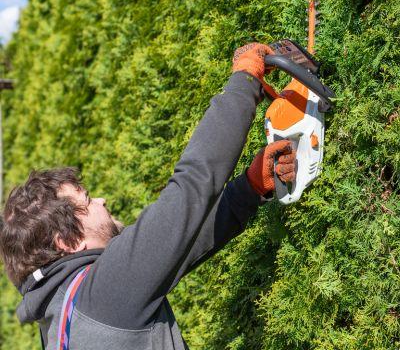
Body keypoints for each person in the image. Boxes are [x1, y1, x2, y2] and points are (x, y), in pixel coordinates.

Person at [0, 43, 296, 350]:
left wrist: (249, 188)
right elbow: (191, 186)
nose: (101, 201)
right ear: (68, 241)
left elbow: (180, 243)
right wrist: (244, 81)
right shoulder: (102, 294)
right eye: (87, 201)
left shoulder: (63, 319)